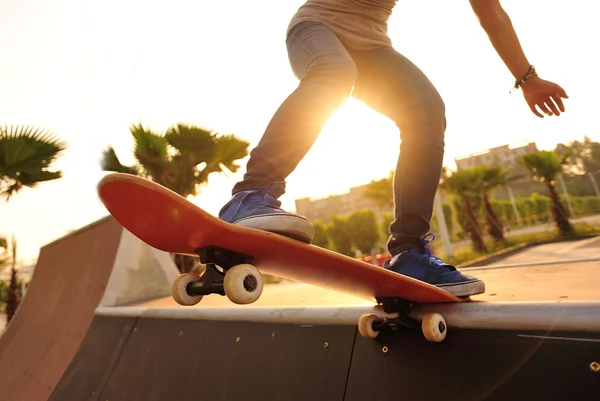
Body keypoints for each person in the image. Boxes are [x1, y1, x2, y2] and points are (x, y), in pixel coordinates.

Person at [218, 0, 568, 297]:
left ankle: (410, 251)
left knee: (426, 111)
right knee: (334, 74)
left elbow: (491, 14)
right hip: (317, 27)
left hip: (373, 48)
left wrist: (527, 77)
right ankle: (250, 194)